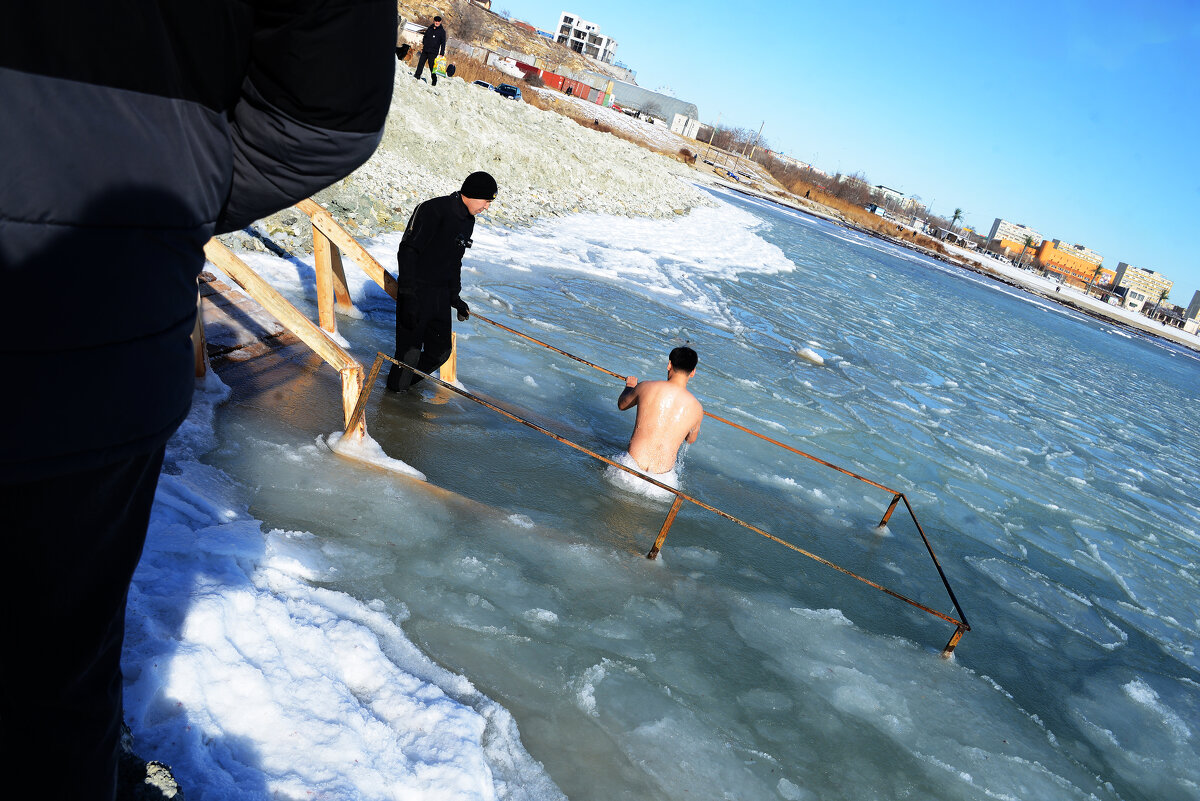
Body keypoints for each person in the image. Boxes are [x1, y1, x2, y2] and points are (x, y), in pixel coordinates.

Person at [0, 3, 396, 798]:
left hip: (95, 327)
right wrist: (163, 204)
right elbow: (328, 117)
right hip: (93, 328)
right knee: (50, 667)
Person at [387, 171, 498, 392]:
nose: (487, 207)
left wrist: (455, 297)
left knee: (440, 352)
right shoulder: (433, 209)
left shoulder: (468, 221)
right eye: (486, 201)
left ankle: (400, 392)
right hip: (416, 291)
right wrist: (407, 294)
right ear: (473, 194)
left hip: (439, 295)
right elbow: (408, 251)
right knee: (409, 353)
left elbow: (455, 261)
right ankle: (392, 398)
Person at [616, 347, 704, 477]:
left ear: (669, 365)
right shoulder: (697, 408)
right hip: (663, 479)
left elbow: (622, 405)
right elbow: (690, 439)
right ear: (693, 372)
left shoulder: (646, 387)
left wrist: (630, 386)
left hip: (630, 467)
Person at [413, 15, 447, 85]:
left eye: (438, 21)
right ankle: (417, 76)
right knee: (420, 63)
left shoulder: (442, 31)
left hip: (433, 52)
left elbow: (443, 43)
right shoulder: (430, 28)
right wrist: (424, 46)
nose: (437, 22)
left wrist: (442, 53)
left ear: (440, 22)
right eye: (435, 21)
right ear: (434, 21)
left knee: (432, 67)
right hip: (425, 50)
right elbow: (425, 37)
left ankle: (434, 80)